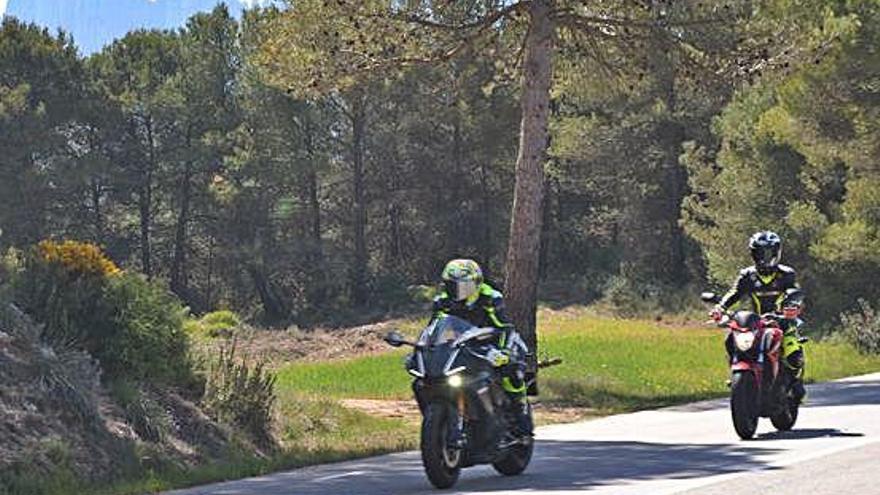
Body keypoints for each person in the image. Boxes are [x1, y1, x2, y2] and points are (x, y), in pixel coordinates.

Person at [432, 259, 532, 438]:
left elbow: (505, 328)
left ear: (477, 284)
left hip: (491, 343)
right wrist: (425, 349)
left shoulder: (491, 298)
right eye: (452, 286)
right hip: (461, 346)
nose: (458, 292)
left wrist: (504, 352)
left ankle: (520, 409)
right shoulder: (442, 301)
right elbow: (433, 329)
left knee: (511, 369)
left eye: (464, 286)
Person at [711, 231, 806, 401]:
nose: (764, 258)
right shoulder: (747, 275)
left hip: (781, 320)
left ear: (777, 252)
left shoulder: (786, 274)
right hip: (756, 321)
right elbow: (735, 292)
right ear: (753, 254)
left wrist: (793, 306)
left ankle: (794, 383)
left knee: (792, 352)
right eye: (760, 253)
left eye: (769, 253)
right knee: (730, 339)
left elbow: (795, 292)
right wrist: (721, 307)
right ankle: (736, 372)